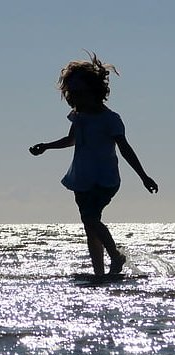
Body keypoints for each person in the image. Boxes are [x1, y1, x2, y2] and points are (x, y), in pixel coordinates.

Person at [29, 52, 158, 276]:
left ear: (94, 92)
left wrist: (144, 176)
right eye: (72, 94)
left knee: (90, 218)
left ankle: (116, 258)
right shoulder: (79, 117)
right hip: (82, 178)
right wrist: (47, 146)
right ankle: (99, 272)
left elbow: (125, 148)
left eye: (80, 93)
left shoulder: (111, 119)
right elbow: (71, 140)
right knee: (89, 225)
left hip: (105, 178)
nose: (76, 98)